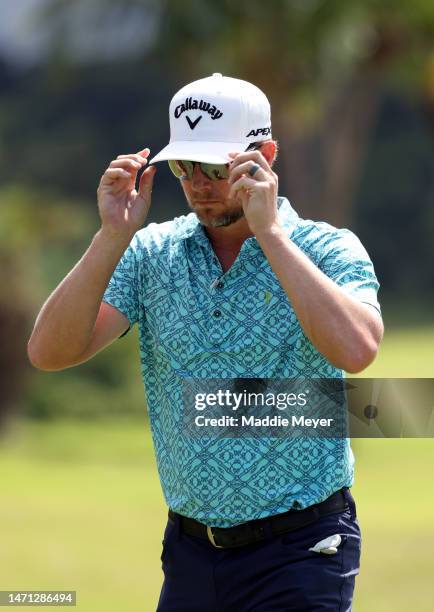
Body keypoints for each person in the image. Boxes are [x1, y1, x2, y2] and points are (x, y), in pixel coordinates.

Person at [28, 73, 384, 611]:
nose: (197, 182)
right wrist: (110, 236)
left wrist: (272, 235)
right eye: (183, 166)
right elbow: (50, 353)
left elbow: (358, 351)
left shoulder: (327, 247)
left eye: (214, 167)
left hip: (304, 549)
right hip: (190, 554)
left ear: (264, 155)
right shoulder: (151, 252)